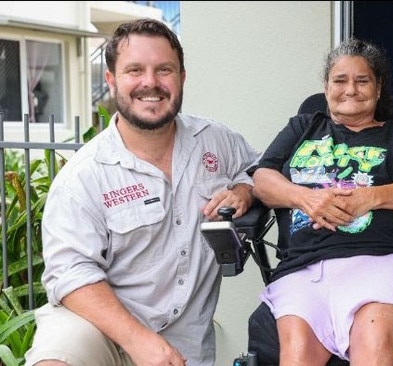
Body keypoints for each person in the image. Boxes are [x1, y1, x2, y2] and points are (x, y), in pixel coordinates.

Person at [24, 18, 260, 366]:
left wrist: (244, 190)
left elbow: (259, 171)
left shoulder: (215, 141)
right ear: (111, 80)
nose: (151, 83)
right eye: (135, 70)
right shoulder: (85, 175)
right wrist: (140, 341)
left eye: (164, 69)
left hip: (184, 342)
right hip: (98, 330)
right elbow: (70, 272)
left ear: (182, 78)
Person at [250, 37, 393, 365]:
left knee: (371, 347)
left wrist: (369, 197)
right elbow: (262, 180)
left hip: (387, 261)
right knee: (296, 357)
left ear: (378, 88)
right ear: (326, 87)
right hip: (305, 268)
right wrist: (308, 199)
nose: (350, 89)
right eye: (340, 80)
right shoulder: (303, 127)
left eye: (362, 80)